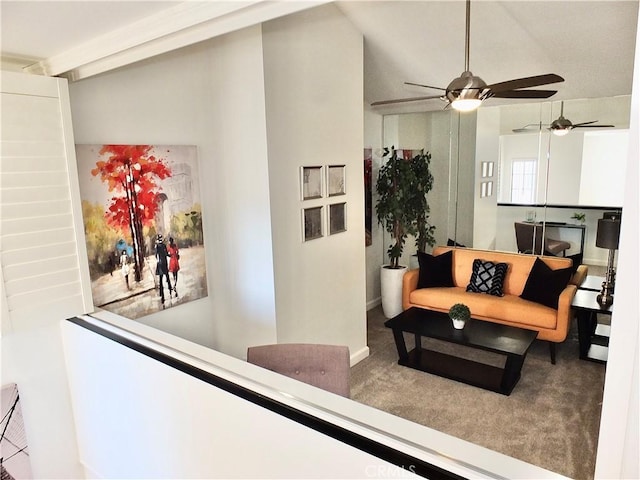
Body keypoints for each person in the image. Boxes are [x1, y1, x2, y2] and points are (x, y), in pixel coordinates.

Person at [155, 234, 173, 305]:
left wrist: (158, 259)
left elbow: (156, 255)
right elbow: (166, 254)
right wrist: (169, 255)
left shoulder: (157, 246)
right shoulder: (163, 245)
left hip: (160, 264)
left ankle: (161, 292)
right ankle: (170, 288)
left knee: (161, 279)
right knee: (167, 276)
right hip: (164, 263)